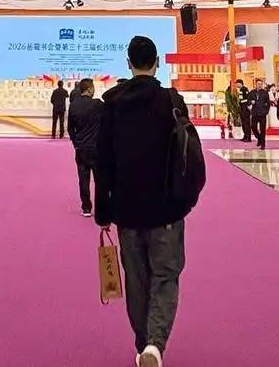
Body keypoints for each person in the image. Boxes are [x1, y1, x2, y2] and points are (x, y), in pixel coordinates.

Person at [95, 36, 198, 367]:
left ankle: (143, 345)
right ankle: (155, 344)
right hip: (167, 208)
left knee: (137, 281)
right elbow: (187, 152)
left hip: (127, 211)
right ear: (157, 63)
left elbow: (102, 161)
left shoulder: (111, 105)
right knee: (165, 277)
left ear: (128, 64)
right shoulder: (171, 101)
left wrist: (102, 211)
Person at [67, 77, 104, 216]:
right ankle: (101, 208)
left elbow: (70, 128)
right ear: (89, 89)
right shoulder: (98, 104)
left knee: (83, 179)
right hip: (96, 147)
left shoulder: (73, 106)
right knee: (99, 180)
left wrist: (76, 144)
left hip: (81, 148)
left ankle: (86, 207)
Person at [249, 81, 271, 149]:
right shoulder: (252, 92)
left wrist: (266, 111)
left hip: (262, 114)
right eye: (258, 84)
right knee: (253, 127)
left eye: (261, 84)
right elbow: (248, 101)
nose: (260, 85)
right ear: (255, 84)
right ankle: (259, 138)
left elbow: (268, 103)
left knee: (263, 130)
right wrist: (251, 102)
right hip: (255, 113)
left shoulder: (265, 92)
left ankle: (263, 144)